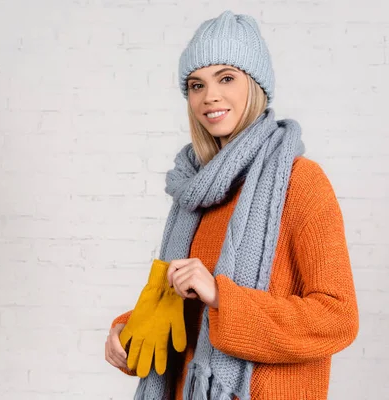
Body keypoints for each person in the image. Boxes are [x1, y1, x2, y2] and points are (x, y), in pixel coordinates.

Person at [104, 10, 359, 400]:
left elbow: (338, 319)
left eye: (226, 78)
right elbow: (183, 315)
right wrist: (127, 329)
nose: (210, 97)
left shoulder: (300, 182)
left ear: (255, 85)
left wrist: (223, 297)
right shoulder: (193, 190)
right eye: (195, 84)